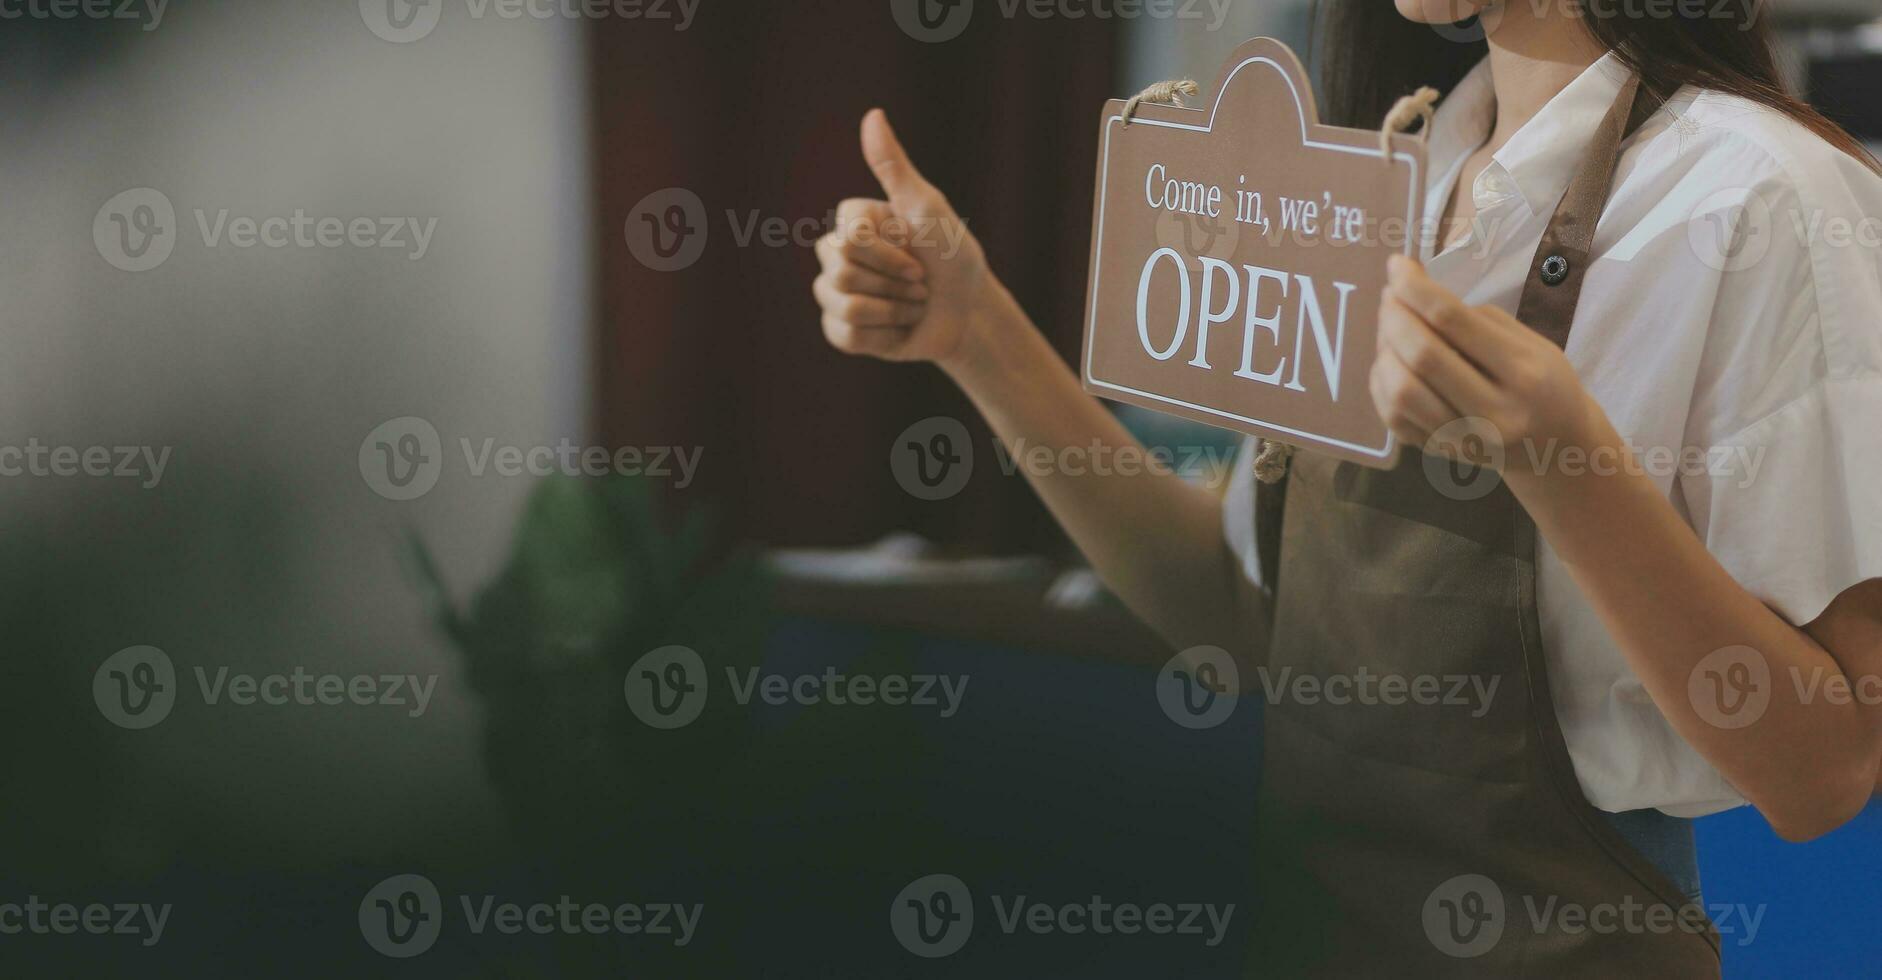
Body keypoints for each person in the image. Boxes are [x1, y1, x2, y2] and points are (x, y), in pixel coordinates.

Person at [811, 0, 1882, 972]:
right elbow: (1235, 612)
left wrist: (1566, 466)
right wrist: (979, 334)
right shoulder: (1375, 184)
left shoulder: (1763, 198)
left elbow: (1826, 769)